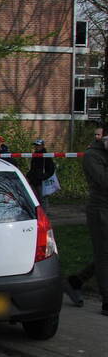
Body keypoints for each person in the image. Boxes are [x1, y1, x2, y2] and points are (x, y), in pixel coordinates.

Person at [67, 130, 108, 315]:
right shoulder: (92, 156)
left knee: (104, 254)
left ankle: (75, 282)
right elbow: (103, 182)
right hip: (101, 210)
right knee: (104, 255)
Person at [25, 139, 55, 209]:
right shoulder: (35, 155)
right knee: (35, 199)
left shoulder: (46, 156)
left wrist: (43, 177)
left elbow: (51, 170)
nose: (36, 147)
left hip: (42, 181)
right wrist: (28, 176)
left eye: (38, 145)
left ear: (42, 146)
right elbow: (32, 168)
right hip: (33, 180)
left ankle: (44, 214)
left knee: (43, 199)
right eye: (35, 145)